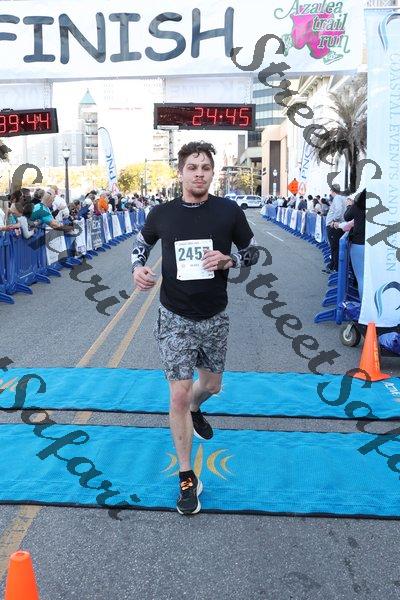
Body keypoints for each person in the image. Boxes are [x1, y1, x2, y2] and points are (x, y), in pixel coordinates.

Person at [131, 141, 259, 516]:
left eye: (205, 168)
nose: (199, 174)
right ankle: (187, 477)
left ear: (212, 173)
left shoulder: (229, 211)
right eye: (192, 167)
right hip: (174, 316)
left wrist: (229, 260)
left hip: (214, 316)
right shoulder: (162, 213)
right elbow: (140, 245)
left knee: (211, 386)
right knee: (177, 396)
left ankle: (197, 407)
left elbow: (253, 252)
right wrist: (137, 268)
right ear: (181, 172)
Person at [335, 189, 366, 298]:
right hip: (376, 244)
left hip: (359, 243)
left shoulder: (358, 205)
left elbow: (347, 216)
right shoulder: (380, 205)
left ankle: (364, 304)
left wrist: (349, 205)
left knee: (361, 277)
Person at [323, 184, 347, 274]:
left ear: (332, 191)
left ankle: (335, 267)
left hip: (333, 226)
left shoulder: (337, 198)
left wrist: (334, 220)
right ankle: (332, 265)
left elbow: (339, 210)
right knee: (335, 247)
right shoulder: (342, 198)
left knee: (334, 247)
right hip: (338, 225)